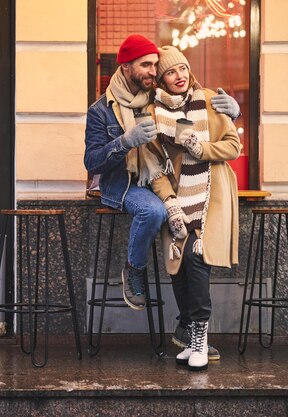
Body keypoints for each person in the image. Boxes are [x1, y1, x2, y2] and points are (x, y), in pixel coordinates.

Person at [83, 35, 240, 359]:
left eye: (156, 65)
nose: (153, 71)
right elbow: (91, 161)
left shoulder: (156, 99)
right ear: (126, 67)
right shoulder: (102, 109)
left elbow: (193, 107)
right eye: (146, 65)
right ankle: (134, 270)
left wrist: (232, 113)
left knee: (191, 260)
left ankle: (189, 333)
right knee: (157, 217)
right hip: (127, 184)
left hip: (174, 185)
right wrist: (125, 141)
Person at [144, 46, 241, 371]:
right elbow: (154, 167)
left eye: (183, 69)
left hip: (209, 200)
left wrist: (202, 147)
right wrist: (170, 204)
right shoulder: (155, 115)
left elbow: (233, 146)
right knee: (178, 271)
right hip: (175, 202)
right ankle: (187, 337)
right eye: (171, 72)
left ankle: (200, 338)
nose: (179, 76)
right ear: (161, 79)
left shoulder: (210, 100)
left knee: (198, 263)